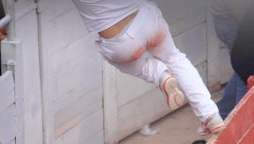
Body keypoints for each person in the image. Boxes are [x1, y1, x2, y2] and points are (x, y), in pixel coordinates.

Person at [73, 0, 226, 136]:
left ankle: (160, 75)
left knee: (112, 55)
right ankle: (211, 116)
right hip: (146, 18)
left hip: (121, 42)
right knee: (175, 58)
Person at [211, 0, 248, 119]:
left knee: (241, 70)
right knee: (245, 70)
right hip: (233, 22)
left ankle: (222, 113)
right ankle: (239, 119)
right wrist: (252, 30)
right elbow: (236, 8)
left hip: (228, 21)